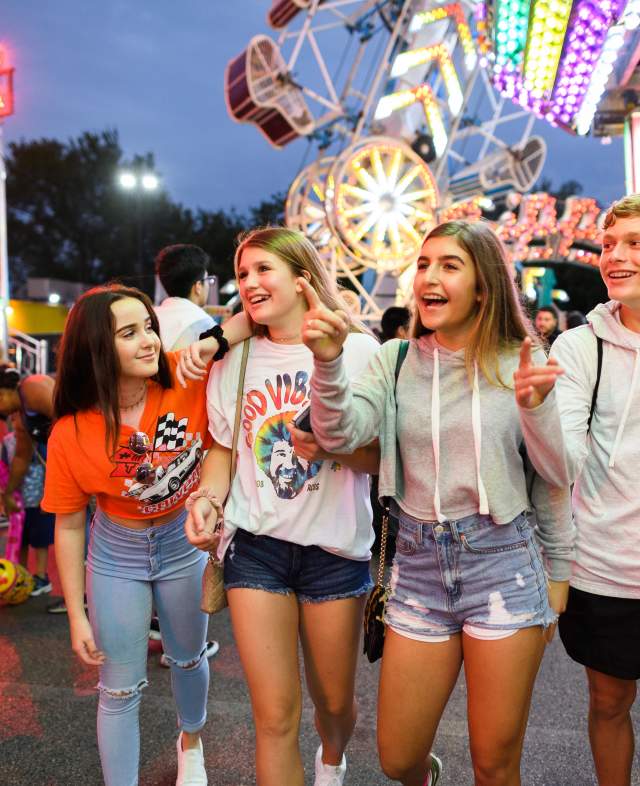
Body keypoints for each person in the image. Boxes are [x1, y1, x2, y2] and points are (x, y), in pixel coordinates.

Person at [302, 219, 574, 786]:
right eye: (424, 264)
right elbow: (339, 433)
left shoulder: (517, 359)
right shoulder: (395, 360)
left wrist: (537, 408)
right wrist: (328, 364)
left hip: (503, 564)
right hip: (419, 568)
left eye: (449, 265)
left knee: (494, 763)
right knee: (398, 758)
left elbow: (553, 475)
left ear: (483, 286)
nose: (429, 275)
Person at [183, 227, 380, 786]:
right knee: (273, 718)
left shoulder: (358, 351)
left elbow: (380, 461)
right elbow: (223, 451)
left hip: (335, 553)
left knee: (335, 706)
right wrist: (207, 500)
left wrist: (336, 443)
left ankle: (333, 755)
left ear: (302, 278)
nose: (249, 283)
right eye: (242, 273)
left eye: (263, 269)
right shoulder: (234, 358)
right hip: (256, 549)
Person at [40, 283, 250, 786]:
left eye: (149, 327)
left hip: (184, 542)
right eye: (129, 333)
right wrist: (76, 614)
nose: (149, 340)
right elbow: (68, 525)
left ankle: (191, 745)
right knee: (118, 688)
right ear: (96, 349)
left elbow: (249, 322)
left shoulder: (183, 371)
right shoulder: (70, 432)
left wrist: (211, 340)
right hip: (116, 552)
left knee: (187, 658)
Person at [523, 194, 640, 786]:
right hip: (607, 569)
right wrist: (536, 411)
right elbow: (560, 463)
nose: (615, 255)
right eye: (610, 242)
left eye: (634, 243)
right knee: (608, 702)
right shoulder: (578, 347)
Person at [0, 365, 55, 595]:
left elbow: (73, 418)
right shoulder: (21, 419)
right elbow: (22, 457)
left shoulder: (31, 387)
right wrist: (7, 493)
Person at [154, 244, 217, 350]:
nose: (208, 285)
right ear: (198, 287)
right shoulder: (206, 326)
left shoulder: (151, 318)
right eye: (208, 280)